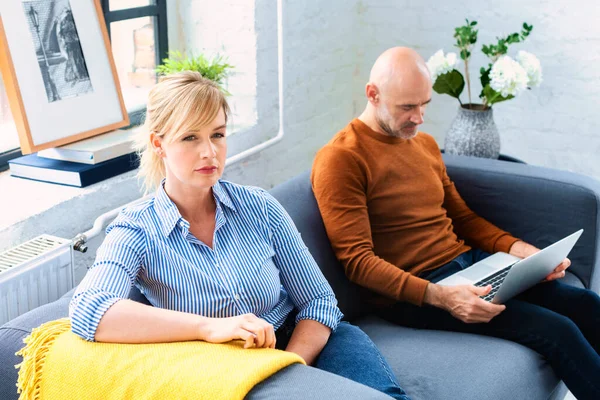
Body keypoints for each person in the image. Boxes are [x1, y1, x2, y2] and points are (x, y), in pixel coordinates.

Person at [69, 71, 409, 400]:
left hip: (306, 342)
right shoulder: (136, 229)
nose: (209, 152)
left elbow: (318, 301)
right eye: (190, 137)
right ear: (159, 143)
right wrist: (208, 328)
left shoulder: (259, 207)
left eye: (217, 134)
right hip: (232, 366)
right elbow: (88, 310)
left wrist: (292, 363)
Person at [311, 47, 600, 400]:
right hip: (418, 293)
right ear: (373, 94)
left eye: (424, 105)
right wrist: (442, 297)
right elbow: (357, 262)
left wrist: (518, 249)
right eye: (407, 107)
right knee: (558, 331)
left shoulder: (425, 145)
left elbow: (463, 218)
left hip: (471, 265)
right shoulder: (341, 159)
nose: (419, 118)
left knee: (587, 305)